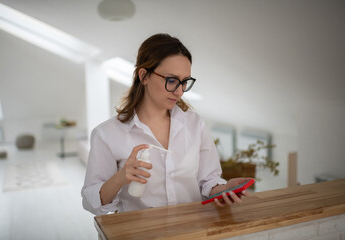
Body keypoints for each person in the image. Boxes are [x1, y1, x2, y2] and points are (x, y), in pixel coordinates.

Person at [81, 33, 252, 215]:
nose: (179, 91)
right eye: (171, 81)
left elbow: (208, 180)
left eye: (185, 82)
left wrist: (223, 189)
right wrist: (119, 178)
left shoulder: (195, 125)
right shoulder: (107, 134)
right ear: (144, 76)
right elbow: (90, 203)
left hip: (192, 230)